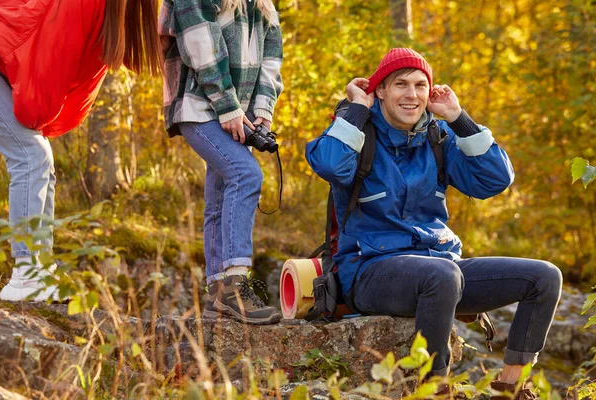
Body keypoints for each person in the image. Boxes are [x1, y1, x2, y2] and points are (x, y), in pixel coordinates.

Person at [306, 48, 562, 399]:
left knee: (545, 277)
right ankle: (434, 388)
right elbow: (331, 167)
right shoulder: (355, 133)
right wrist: (354, 109)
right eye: (400, 85)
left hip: (442, 269)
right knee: (442, 276)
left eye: (420, 85)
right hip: (369, 272)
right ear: (379, 90)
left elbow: (496, 179)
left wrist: (458, 118)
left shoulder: (438, 137)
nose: (411, 95)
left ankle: (512, 386)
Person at [0, 0, 162, 302]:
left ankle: (39, 269)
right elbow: (52, 55)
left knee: (42, 160)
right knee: (32, 156)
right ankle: (25, 274)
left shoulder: (111, 12)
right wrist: (37, 119)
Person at [159, 0, 283, 324]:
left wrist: (262, 111)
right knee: (245, 175)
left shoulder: (265, 4)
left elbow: (272, 58)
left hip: (238, 114)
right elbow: (201, 45)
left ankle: (217, 289)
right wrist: (228, 105)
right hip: (200, 106)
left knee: (218, 197)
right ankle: (235, 284)